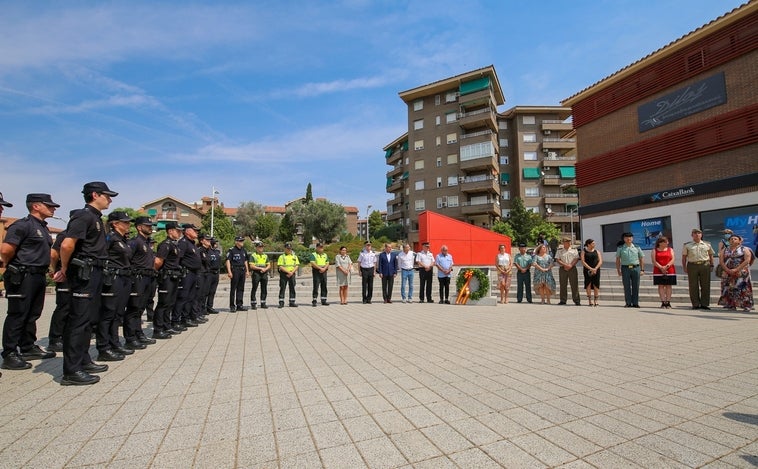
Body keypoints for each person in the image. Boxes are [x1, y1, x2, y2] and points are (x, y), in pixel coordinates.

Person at [55, 181, 118, 385]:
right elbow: (67, 244)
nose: (109, 199)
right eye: (106, 195)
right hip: (85, 272)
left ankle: (83, 359)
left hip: (95, 271)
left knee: (88, 320)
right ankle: (71, 371)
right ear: (94, 195)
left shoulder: (95, 218)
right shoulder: (83, 215)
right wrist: (64, 268)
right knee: (78, 320)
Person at [1, 193, 59, 372]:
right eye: (49, 205)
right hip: (23, 274)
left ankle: (27, 346)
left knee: (33, 313)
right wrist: (15, 267)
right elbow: (6, 250)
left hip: (37, 275)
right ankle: (10, 353)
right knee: (17, 314)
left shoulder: (42, 227)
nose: (53, 208)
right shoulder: (22, 225)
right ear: (36, 206)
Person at [95, 211, 135, 362]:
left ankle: (114, 343)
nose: (128, 224)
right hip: (113, 278)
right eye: (125, 222)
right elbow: (102, 255)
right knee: (108, 314)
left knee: (118, 314)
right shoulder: (109, 238)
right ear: (115, 223)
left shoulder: (122, 239)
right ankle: (103, 348)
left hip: (124, 278)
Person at [124, 216, 156, 350]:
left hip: (147, 277)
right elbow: (127, 259)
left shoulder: (147, 242)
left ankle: (138, 333)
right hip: (137, 277)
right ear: (139, 227)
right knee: (134, 308)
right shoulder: (135, 242)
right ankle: (130, 338)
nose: (150, 227)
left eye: (151, 225)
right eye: (147, 225)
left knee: (140, 307)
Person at [153, 221, 184, 339]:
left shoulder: (174, 244)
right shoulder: (165, 245)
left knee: (170, 303)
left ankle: (167, 325)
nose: (180, 233)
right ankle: (158, 329)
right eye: (177, 230)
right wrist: (156, 273)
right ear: (170, 231)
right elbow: (158, 262)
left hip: (174, 277)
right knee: (163, 303)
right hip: (166, 277)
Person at [47, 225, 72, 353]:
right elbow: (53, 254)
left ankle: (65, 335)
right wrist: (53, 270)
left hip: (75, 275)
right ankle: (55, 339)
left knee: (72, 307)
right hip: (64, 275)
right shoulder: (65, 234)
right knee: (63, 307)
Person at [174, 223, 203, 328]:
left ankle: (186, 318)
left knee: (191, 297)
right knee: (183, 297)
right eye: (194, 230)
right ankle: (176, 320)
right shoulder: (183, 243)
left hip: (194, 273)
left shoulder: (192, 243)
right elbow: (178, 259)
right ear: (187, 231)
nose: (196, 232)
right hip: (187, 273)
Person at [717, 234, 753, 312]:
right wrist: (727, 269)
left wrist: (737, 269)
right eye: (731, 239)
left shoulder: (744, 249)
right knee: (728, 288)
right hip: (727, 272)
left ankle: (746, 305)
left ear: (739, 241)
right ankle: (730, 304)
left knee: (743, 288)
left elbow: (747, 260)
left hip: (741, 272)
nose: (733, 240)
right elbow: (721, 261)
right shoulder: (725, 250)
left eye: (735, 239)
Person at [682, 228, 715, 310]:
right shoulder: (687, 245)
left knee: (705, 284)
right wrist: (684, 267)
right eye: (695, 233)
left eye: (699, 233)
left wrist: (712, 265)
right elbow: (684, 257)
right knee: (693, 285)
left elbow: (711, 255)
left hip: (705, 265)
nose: (697, 235)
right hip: (692, 265)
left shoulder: (707, 244)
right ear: (692, 235)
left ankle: (704, 303)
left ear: (701, 235)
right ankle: (695, 304)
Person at [616, 232, 645, 308]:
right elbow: (618, 259)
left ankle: (635, 302)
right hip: (625, 268)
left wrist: (642, 270)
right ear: (624, 239)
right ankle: (628, 302)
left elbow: (641, 258)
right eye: (626, 237)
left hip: (636, 268)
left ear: (632, 238)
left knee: (636, 285)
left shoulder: (637, 247)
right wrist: (618, 270)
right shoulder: (620, 248)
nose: (628, 239)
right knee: (626, 286)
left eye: (630, 237)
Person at [651, 236, 676, 309]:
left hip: (669, 270)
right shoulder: (654, 250)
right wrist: (661, 267)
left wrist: (667, 266)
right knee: (661, 286)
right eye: (665, 242)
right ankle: (663, 302)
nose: (667, 243)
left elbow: (673, 259)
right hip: (658, 270)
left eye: (667, 241)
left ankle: (668, 302)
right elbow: (654, 261)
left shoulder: (670, 249)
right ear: (660, 243)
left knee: (668, 286)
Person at [226, 236, 250, 312]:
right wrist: (229, 271)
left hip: (242, 270)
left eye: (242, 241)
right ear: (236, 242)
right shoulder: (231, 250)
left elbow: (245, 261)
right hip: (235, 270)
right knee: (233, 288)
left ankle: (239, 305)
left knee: (241, 288)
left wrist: (247, 271)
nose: (242, 242)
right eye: (240, 241)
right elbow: (228, 261)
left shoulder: (244, 250)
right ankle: (232, 306)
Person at [555, 237, 581, 306]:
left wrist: (570, 265)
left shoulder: (574, 250)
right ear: (563, 243)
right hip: (563, 269)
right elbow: (557, 259)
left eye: (569, 242)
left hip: (572, 268)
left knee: (574, 284)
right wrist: (565, 265)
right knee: (563, 284)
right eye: (567, 242)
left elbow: (576, 258)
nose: (569, 243)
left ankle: (576, 300)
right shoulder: (559, 250)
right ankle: (563, 300)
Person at [580, 239, 603, 306]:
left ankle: (596, 300)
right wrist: (590, 269)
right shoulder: (583, 252)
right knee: (588, 284)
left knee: (596, 284)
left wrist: (595, 268)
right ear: (588, 244)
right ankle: (590, 300)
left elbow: (600, 261)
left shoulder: (597, 251)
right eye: (593, 243)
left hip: (596, 270)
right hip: (587, 270)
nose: (594, 244)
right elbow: (583, 262)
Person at [248, 241, 270, 309]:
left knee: (264, 288)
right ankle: (253, 303)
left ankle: (263, 303)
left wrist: (265, 269)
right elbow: (251, 266)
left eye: (262, 247)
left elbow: (269, 265)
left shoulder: (265, 255)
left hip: (264, 273)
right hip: (256, 273)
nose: (261, 248)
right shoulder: (253, 255)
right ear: (256, 248)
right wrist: (260, 268)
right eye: (259, 247)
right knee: (254, 288)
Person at [277, 242, 299, 308]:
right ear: (285, 249)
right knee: (282, 288)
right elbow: (280, 266)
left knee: (292, 287)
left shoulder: (294, 256)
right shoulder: (282, 256)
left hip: (292, 273)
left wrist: (291, 272)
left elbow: (297, 265)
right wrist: (288, 272)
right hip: (284, 274)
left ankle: (292, 302)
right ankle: (281, 302)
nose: (289, 250)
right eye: (287, 248)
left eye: (290, 248)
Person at [204, 238, 222, 314]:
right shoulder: (207, 251)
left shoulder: (217, 252)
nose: (216, 244)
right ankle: (203, 308)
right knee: (206, 291)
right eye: (215, 243)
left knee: (212, 291)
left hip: (216, 273)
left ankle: (210, 306)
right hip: (209, 273)